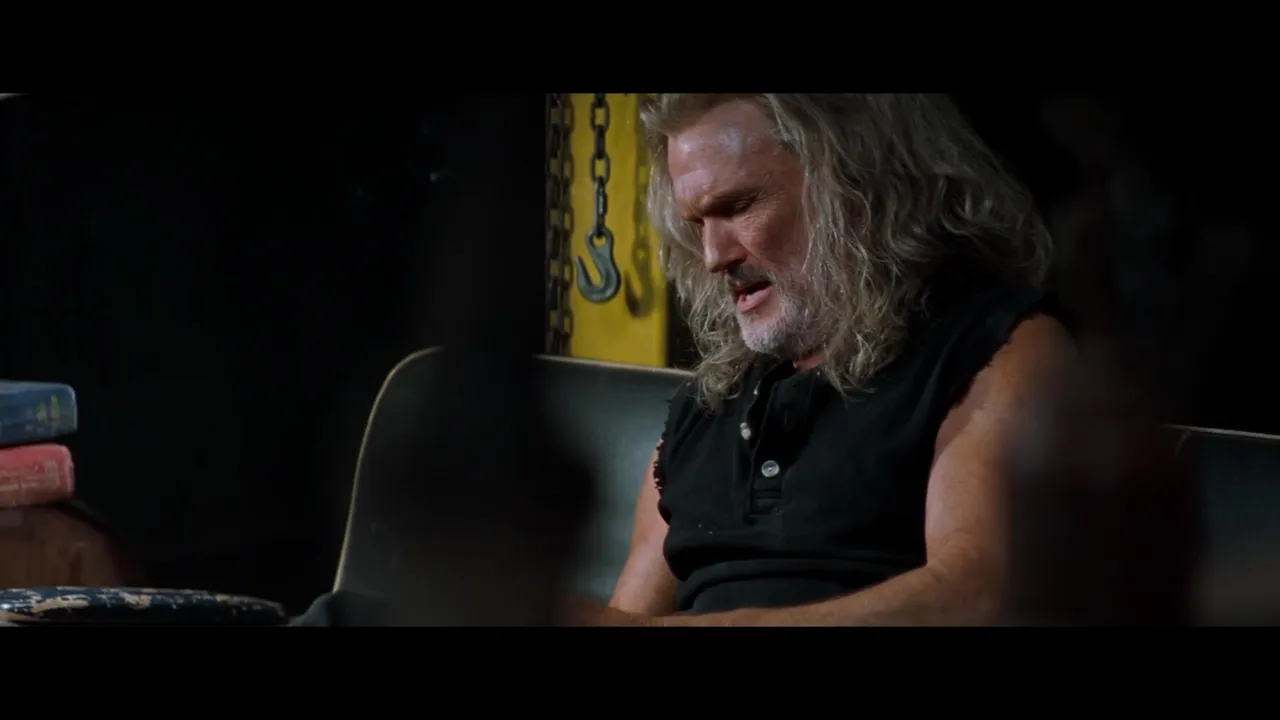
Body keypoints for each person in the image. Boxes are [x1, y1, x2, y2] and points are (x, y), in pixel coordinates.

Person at [569, 93, 1078, 626]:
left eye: (739, 206)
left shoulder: (997, 349)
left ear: (858, 183)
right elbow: (627, 618)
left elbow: (980, 594)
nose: (715, 256)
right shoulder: (704, 409)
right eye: (697, 223)